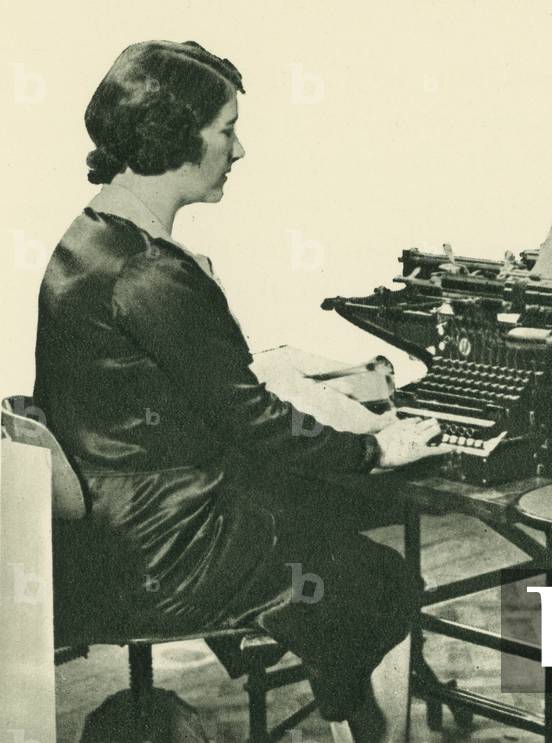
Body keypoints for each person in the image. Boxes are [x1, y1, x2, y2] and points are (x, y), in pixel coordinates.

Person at [34, 40, 450, 743]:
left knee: (320, 515)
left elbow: (178, 395)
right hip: (166, 548)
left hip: (102, 537)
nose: (239, 149)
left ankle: (331, 668)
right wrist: (374, 447)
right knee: (380, 573)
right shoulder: (150, 271)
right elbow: (252, 420)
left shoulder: (90, 237)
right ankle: (364, 717)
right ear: (174, 134)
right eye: (226, 129)